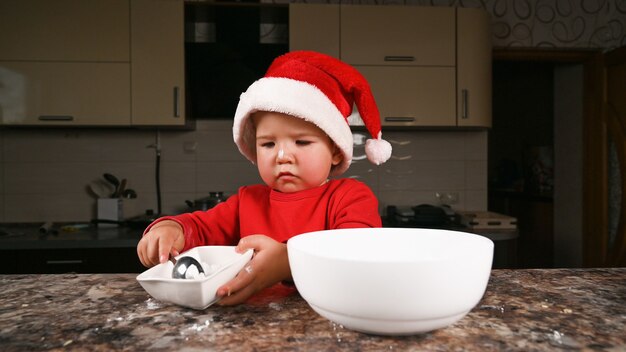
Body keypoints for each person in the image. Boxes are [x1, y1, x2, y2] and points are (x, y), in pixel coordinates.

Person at [137, 50, 392, 305]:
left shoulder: (350, 198)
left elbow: (359, 254)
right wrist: (172, 229)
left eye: (301, 142)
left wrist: (288, 262)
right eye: (268, 144)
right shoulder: (247, 201)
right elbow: (202, 228)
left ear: (336, 150)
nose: (282, 156)